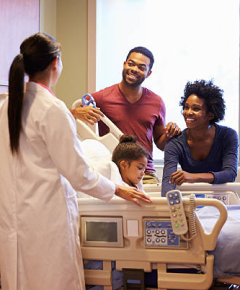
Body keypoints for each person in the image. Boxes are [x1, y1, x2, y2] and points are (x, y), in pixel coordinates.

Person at [0, 33, 151, 290]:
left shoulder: (7, 106)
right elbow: (79, 174)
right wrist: (116, 188)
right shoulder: (52, 109)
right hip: (45, 219)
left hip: (12, 219)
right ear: (55, 64)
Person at [71, 46, 181, 184]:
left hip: (144, 174)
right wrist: (74, 112)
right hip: (113, 172)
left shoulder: (156, 102)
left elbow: (160, 143)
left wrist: (171, 135)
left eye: (141, 67)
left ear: (148, 73)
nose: (134, 69)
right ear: (124, 64)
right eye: (131, 64)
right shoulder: (102, 98)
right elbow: (65, 115)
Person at [161, 79, 239, 197]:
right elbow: (168, 180)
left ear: (210, 115)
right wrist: (169, 207)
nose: (188, 112)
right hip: (193, 199)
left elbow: (230, 174)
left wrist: (194, 177)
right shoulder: (175, 142)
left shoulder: (228, 136)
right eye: (186, 107)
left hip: (221, 197)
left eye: (195, 108)